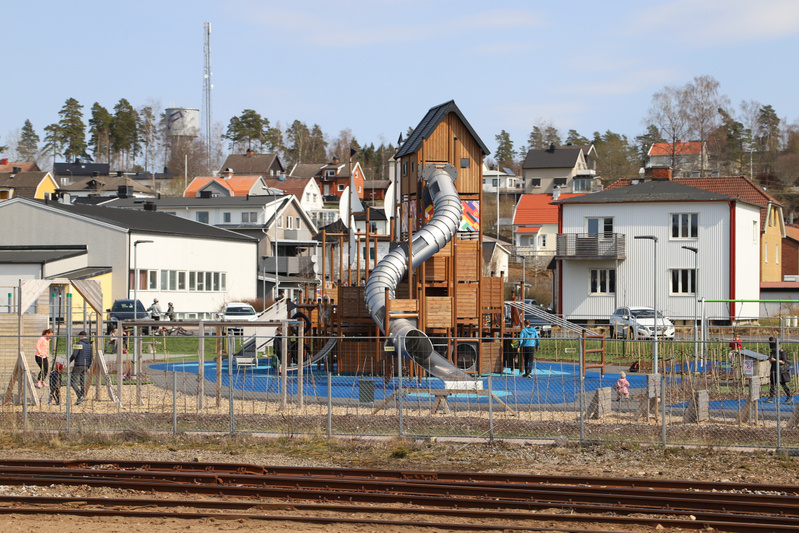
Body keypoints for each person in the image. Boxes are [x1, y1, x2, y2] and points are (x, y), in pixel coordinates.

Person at [69, 331, 93, 405]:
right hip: (86, 366)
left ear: (80, 337)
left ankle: (80, 396)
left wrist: (69, 361)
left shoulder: (78, 344)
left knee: (72, 382)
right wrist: (88, 366)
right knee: (82, 382)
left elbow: (74, 355)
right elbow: (91, 357)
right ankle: (81, 398)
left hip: (78, 365)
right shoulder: (90, 345)